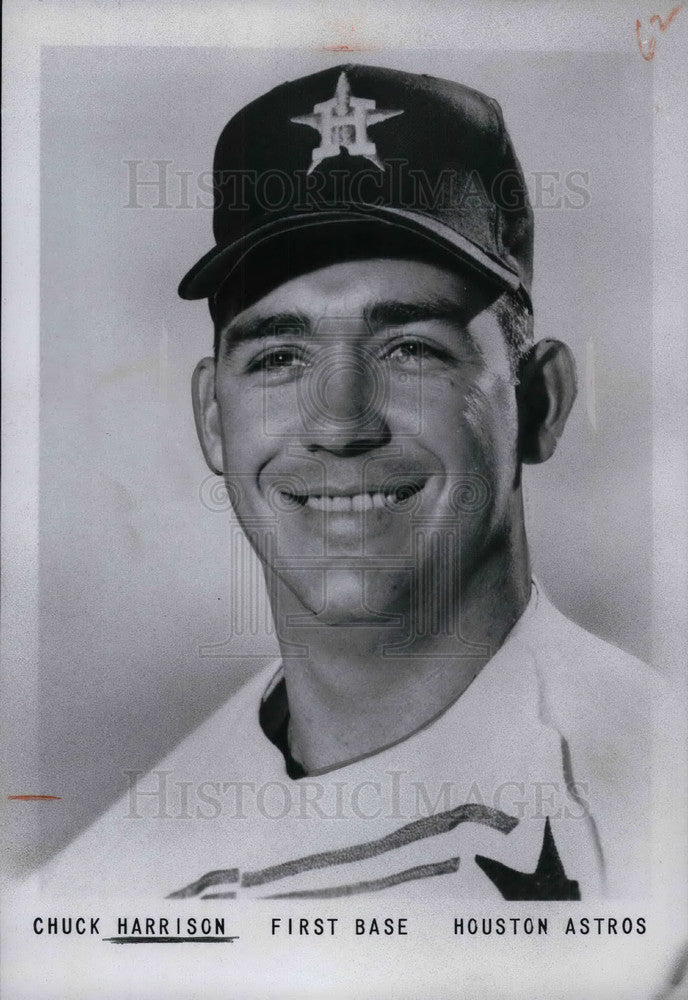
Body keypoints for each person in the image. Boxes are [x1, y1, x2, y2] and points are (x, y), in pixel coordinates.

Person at [40, 63, 665, 901]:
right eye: (279, 357)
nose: (339, 422)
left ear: (540, 402)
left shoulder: (661, 841)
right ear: (214, 419)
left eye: (411, 348)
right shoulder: (93, 892)